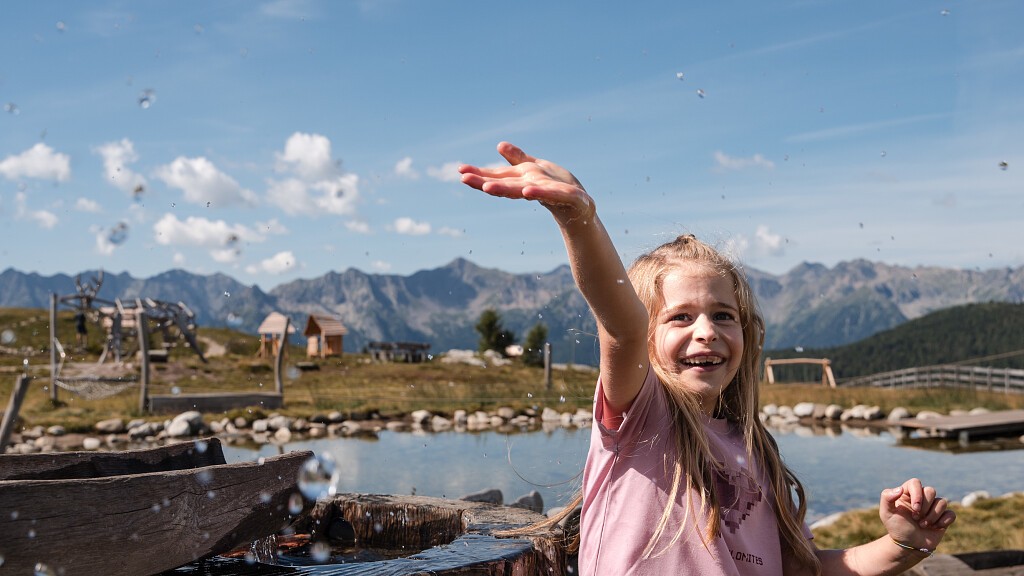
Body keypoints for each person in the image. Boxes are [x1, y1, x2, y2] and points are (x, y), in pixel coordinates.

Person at [459, 142, 956, 576]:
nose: (707, 332)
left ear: (746, 331)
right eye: (680, 318)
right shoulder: (640, 417)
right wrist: (579, 217)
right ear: (649, 339)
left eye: (724, 315)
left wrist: (904, 542)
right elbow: (622, 325)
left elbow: (804, 570)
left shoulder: (757, 451)